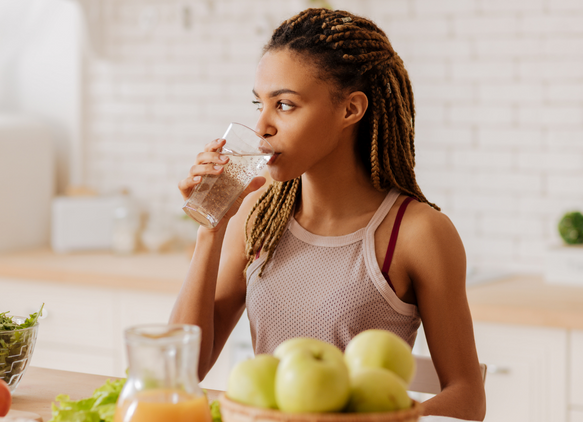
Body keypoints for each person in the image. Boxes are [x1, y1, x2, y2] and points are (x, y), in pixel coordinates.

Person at [170, 8, 486, 420]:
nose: (261, 125)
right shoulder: (256, 215)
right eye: (258, 103)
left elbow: (467, 397)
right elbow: (180, 372)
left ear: (350, 110)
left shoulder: (417, 233)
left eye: (284, 105)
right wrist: (210, 227)